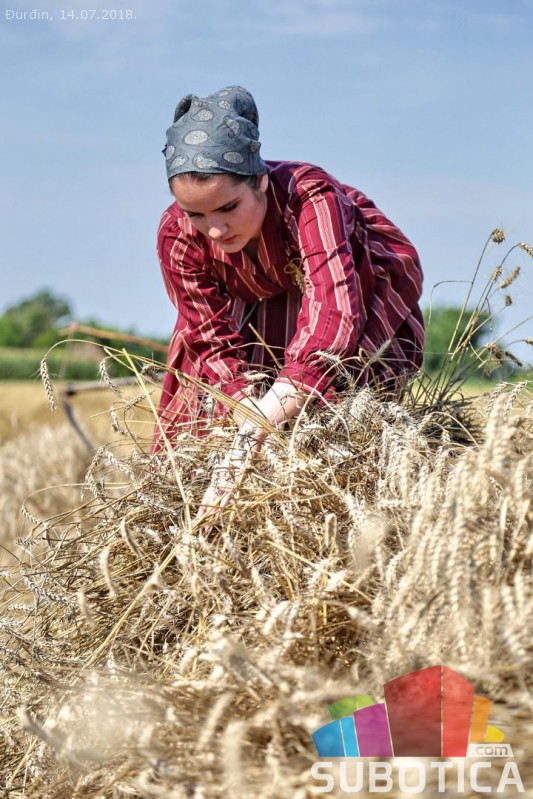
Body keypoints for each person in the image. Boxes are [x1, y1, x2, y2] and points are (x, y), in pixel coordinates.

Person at [154, 85, 424, 519]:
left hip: (346, 300)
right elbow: (208, 336)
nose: (216, 230)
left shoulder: (310, 199)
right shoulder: (176, 234)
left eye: (229, 207)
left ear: (260, 180)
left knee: (329, 429)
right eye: (196, 214)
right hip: (246, 318)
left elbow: (333, 310)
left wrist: (258, 430)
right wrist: (245, 418)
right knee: (197, 446)